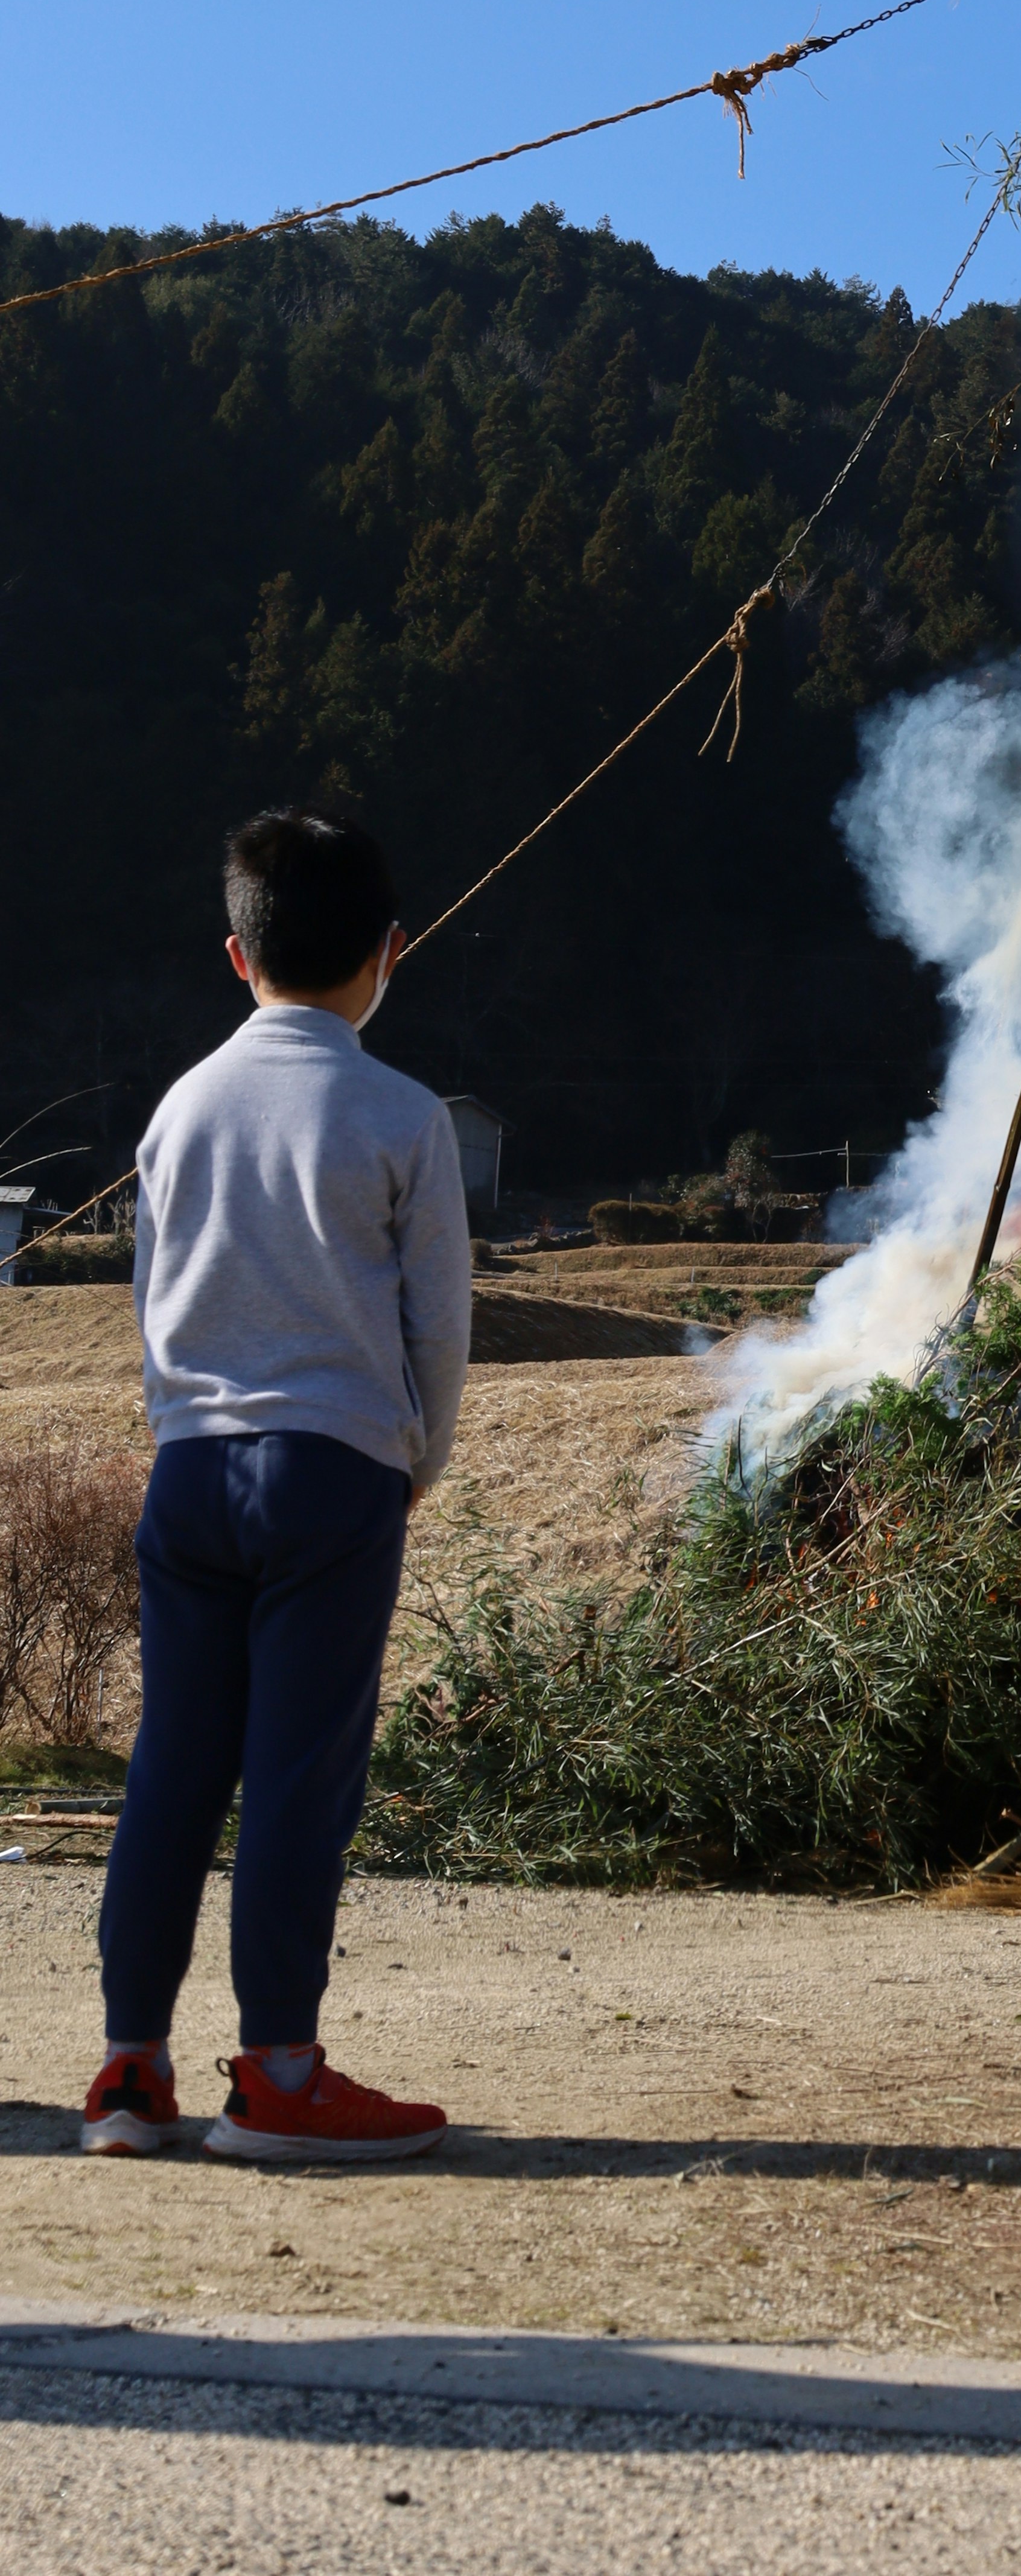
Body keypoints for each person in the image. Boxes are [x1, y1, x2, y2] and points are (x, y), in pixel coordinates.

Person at [81, 806, 469, 2167]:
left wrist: (184, 1423)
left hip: (188, 1471)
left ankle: (132, 2067)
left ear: (233, 957)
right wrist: (409, 1461)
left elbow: (148, 1303)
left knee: (173, 1767)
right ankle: (283, 2076)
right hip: (333, 1470)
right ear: (390, 952)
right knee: (299, 1774)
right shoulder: (404, 1115)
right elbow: (438, 1328)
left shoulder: (179, 1106)